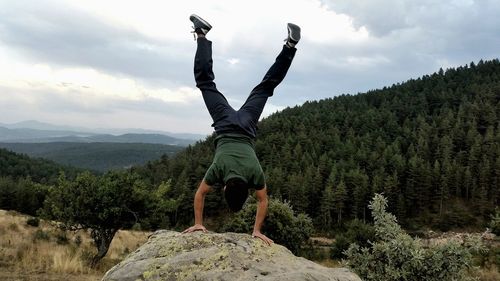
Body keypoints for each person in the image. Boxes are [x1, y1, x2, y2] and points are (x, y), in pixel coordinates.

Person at [182, 14, 300, 246]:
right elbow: (200, 194)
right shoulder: (217, 170)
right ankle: (201, 34)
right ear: (224, 187)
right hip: (225, 122)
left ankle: (290, 46)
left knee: (266, 87)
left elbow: (263, 201)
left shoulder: (255, 174)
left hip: (247, 123)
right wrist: (199, 223)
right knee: (205, 82)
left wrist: (257, 229)